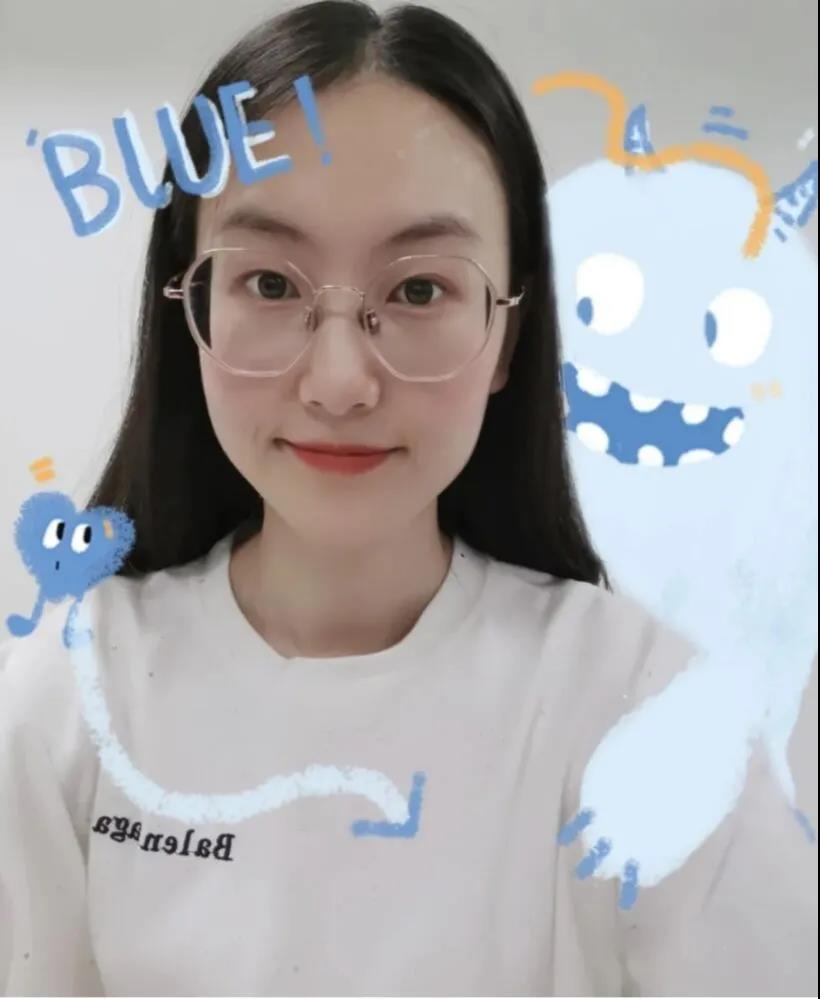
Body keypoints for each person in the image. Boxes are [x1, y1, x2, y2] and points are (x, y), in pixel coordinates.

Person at [1, 1, 816, 995]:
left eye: (421, 289)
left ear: (507, 333)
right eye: (269, 284)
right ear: (190, 305)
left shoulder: (644, 711)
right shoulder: (70, 697)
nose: (340, 381)